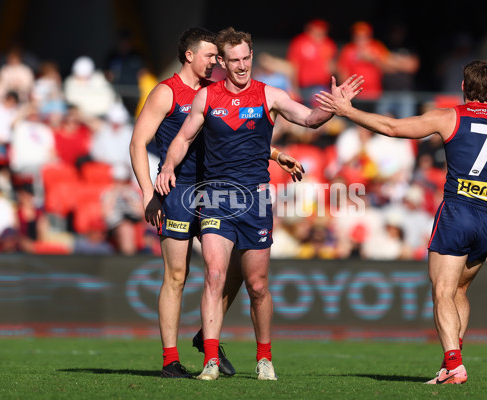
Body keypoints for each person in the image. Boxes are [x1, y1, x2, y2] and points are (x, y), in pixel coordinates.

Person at [154, 27, 363, 381]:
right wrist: (168, 167)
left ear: (252, 55)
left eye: (246, 58)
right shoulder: (207, 98)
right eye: (234, 60)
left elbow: (309, 120)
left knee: (258, 285)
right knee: (215, 276)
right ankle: (210, 360)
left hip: (256, 200)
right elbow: (183, 137)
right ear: (222, 61)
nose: (241, 66)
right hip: (216, 199)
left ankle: (264, 357)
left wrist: (334, 105)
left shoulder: (269, 95)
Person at [316, 60, 487, 384]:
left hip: (458, 211)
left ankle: (454, 365)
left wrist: (348, 112)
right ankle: (452, 361)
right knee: (460, 289)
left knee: (443, 290)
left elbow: (392, 128)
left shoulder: (450, 117)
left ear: (463, 87)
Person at [129, 27, 305, 379]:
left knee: (235, 271)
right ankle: (169, 360)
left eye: (218, 57)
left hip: (218, 191)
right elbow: (137, 142)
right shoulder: (167, 92)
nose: (217, 62)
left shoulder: (216, 92)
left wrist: (274, 154)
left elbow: (233, 136)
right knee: (176, 275)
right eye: (211, 56)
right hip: (178, 191)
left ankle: (205, 332)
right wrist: (149, 193)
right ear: (190, 55)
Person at [286, 19, 337, 106]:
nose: (320, 32)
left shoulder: (328, 44)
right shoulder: (300, 42)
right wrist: (294, 88)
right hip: (304, 86)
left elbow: (332, 66)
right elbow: (293, 67)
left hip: (323, 86)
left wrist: (332, 69)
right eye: (317, 29)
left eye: (323, 30)